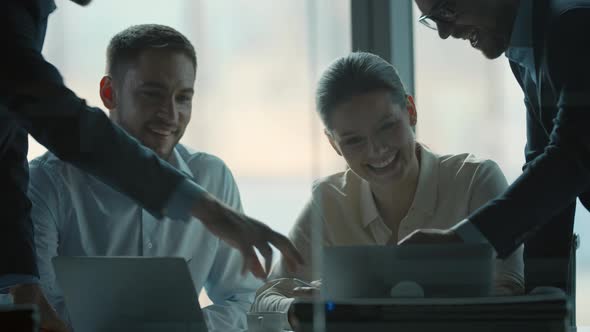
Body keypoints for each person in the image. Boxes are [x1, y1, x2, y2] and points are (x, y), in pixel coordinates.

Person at [0, 1, 301, 330]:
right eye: (151, 94)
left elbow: (7, 146)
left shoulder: (213, 175)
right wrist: (202, 206)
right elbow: (53, 114)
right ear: (109, 93)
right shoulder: (50, 182)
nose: (170, 115)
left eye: (183, 98)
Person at [250, 52, 524, 330]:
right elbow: (264, 297)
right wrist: (302, 307)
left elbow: (509, 288)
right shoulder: (329, 200)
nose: (376, 150)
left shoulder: (474, 181)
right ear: (333, 144)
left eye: (387, 127)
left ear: (411, 110)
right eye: (354, 141)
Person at [404, 0, 590, 293]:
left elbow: (572, 159)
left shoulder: (574, 25)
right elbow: (546, 172)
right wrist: (543, 302)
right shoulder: (528, 51)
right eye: (433, 19)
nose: (443, 31)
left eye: (445, 10)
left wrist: (465, 241)